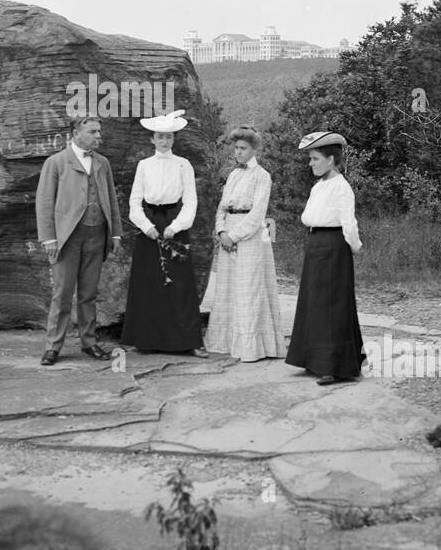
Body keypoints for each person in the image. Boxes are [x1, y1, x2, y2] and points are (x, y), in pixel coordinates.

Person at [35, 113, 123, 365]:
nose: (98, 136)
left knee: (89, 293)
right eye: (93, 132)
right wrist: (49, 239)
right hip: (67, 238)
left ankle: (89, 342)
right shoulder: (56, 162)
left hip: (96, 235)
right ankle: (53, 346)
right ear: (76, 134)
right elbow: (44, 202)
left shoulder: (102, 163)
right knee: (62, 293)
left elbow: (111, 200)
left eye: (98, 131)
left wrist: (115, 232)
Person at [121, 109, 206, 355]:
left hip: (174, 223)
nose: (164, 141)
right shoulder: (144, 165)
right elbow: (134, 202)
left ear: (173, 139)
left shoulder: (183, 165)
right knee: (149, 282)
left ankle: (189, 341)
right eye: (160, 137)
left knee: (179, 284)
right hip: (149, 223)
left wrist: (175, 226)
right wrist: (145, 226)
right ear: (152, 139)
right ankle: (146, 339)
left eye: (168, 137)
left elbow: (191, 201)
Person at [285, 131, 365, 385]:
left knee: (332, 304)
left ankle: (334, 365)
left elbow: (348, 222)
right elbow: (310, 216)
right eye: (310, 158)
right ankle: (312, 358)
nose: (311, 163)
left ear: (331, 160)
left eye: (315, 158)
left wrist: (354, 246)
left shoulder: (342, 187)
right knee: (314, 303)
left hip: (333, 247)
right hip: (316, 244)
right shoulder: (319, 186)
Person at [200, 126, 283, 361]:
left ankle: (251, 347)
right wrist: (221, 230)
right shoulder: (234, 175)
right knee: (228, 289)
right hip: (228, 232)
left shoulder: (262, 176)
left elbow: (258, 215)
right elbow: (222, 207)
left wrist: (234, 236)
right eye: (236, 148)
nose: (238, 152)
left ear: (253, 150)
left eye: (243, 148)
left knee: (248, 289)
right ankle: (225, 342)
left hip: (249, 237)